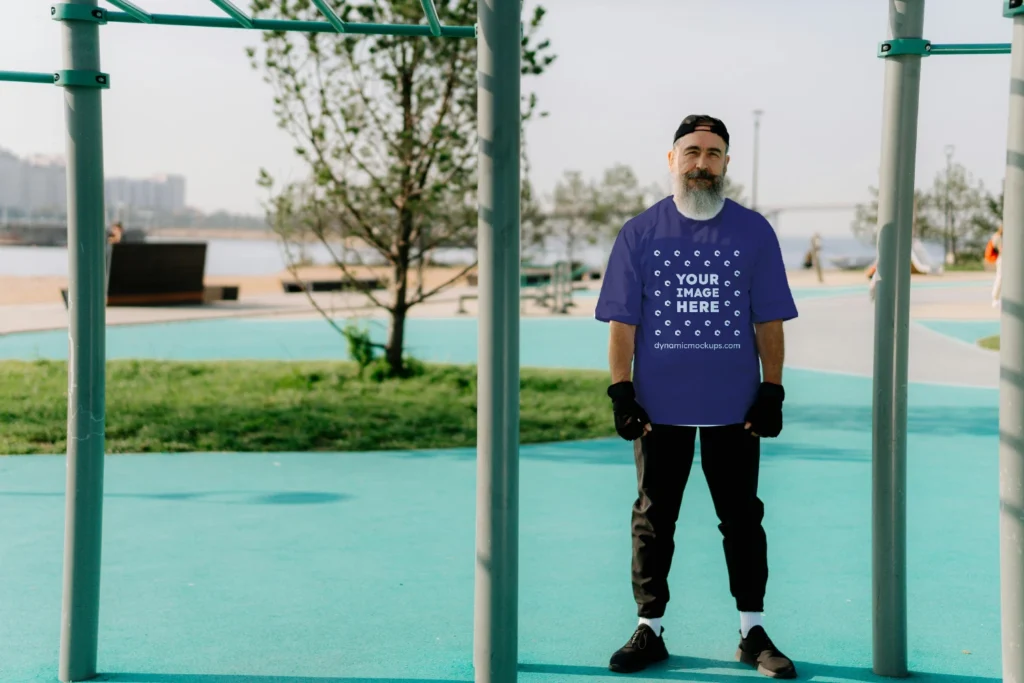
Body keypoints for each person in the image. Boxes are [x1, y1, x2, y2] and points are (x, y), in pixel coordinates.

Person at [594, 114, 799, 679]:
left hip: (735, 410)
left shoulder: (754, 232)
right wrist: (621, 391)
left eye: (713, 153)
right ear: (672, 160)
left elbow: (770, 319)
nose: (702, 163)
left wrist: (772, 390)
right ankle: (649, 629)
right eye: (692, 152)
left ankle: (751, 631)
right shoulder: (639, 233)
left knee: (742, 520)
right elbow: (621, 322)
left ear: (726, 162)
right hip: (661, 412)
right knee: (654, 518)